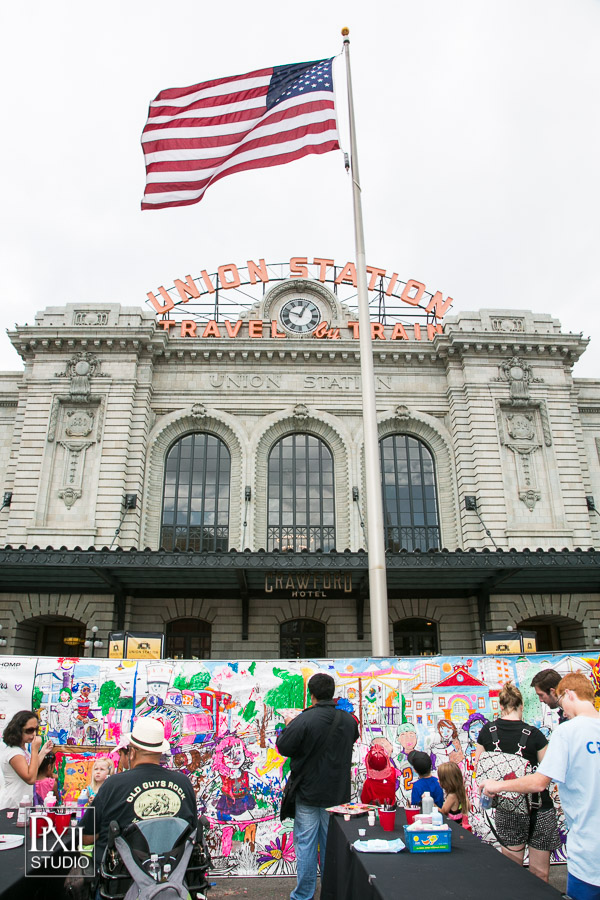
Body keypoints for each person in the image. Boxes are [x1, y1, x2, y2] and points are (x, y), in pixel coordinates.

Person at [481, 673, 600, 900]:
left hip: (588, 855)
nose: (562, 711)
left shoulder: (568, 731)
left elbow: (539, 781)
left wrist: (497, 785)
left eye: (562, 702)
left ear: (569, 695)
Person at [276, 672, 359, 900]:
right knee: (331, 846)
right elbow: (351, 739)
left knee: (305, 845)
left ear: (310, 694)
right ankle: (332, 893)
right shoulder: (348, 721)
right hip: (337, 794)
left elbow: (283, 747)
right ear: (332, 694)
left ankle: (304, 894)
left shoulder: (303, 719)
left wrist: (288, 725)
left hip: (309, 792)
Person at [81, 718, 197, 866]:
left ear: (132, 753)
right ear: (160, 752)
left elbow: (87, 837)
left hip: (122, 877)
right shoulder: (183, 783)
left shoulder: (113, 785)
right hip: (172, 874)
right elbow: (191, 829)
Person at [474, 682, 560, 883]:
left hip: (507, 807)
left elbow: (480, 768)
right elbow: (548, 772)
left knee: (513, 873)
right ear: (521, 705)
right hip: (539, 807)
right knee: (540, 874)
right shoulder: (536, 735)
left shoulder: (486, 732)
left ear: (501, 706)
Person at [0, 710, 54, 810]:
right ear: (18, 730)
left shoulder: (21, 749)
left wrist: (42, 752)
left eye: (36, 730)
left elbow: (31, 770)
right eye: (29, 730)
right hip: (12, 805)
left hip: (21, 804)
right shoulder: (14, 753)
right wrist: (34, 750)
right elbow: (30, 779)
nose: (34, 734)